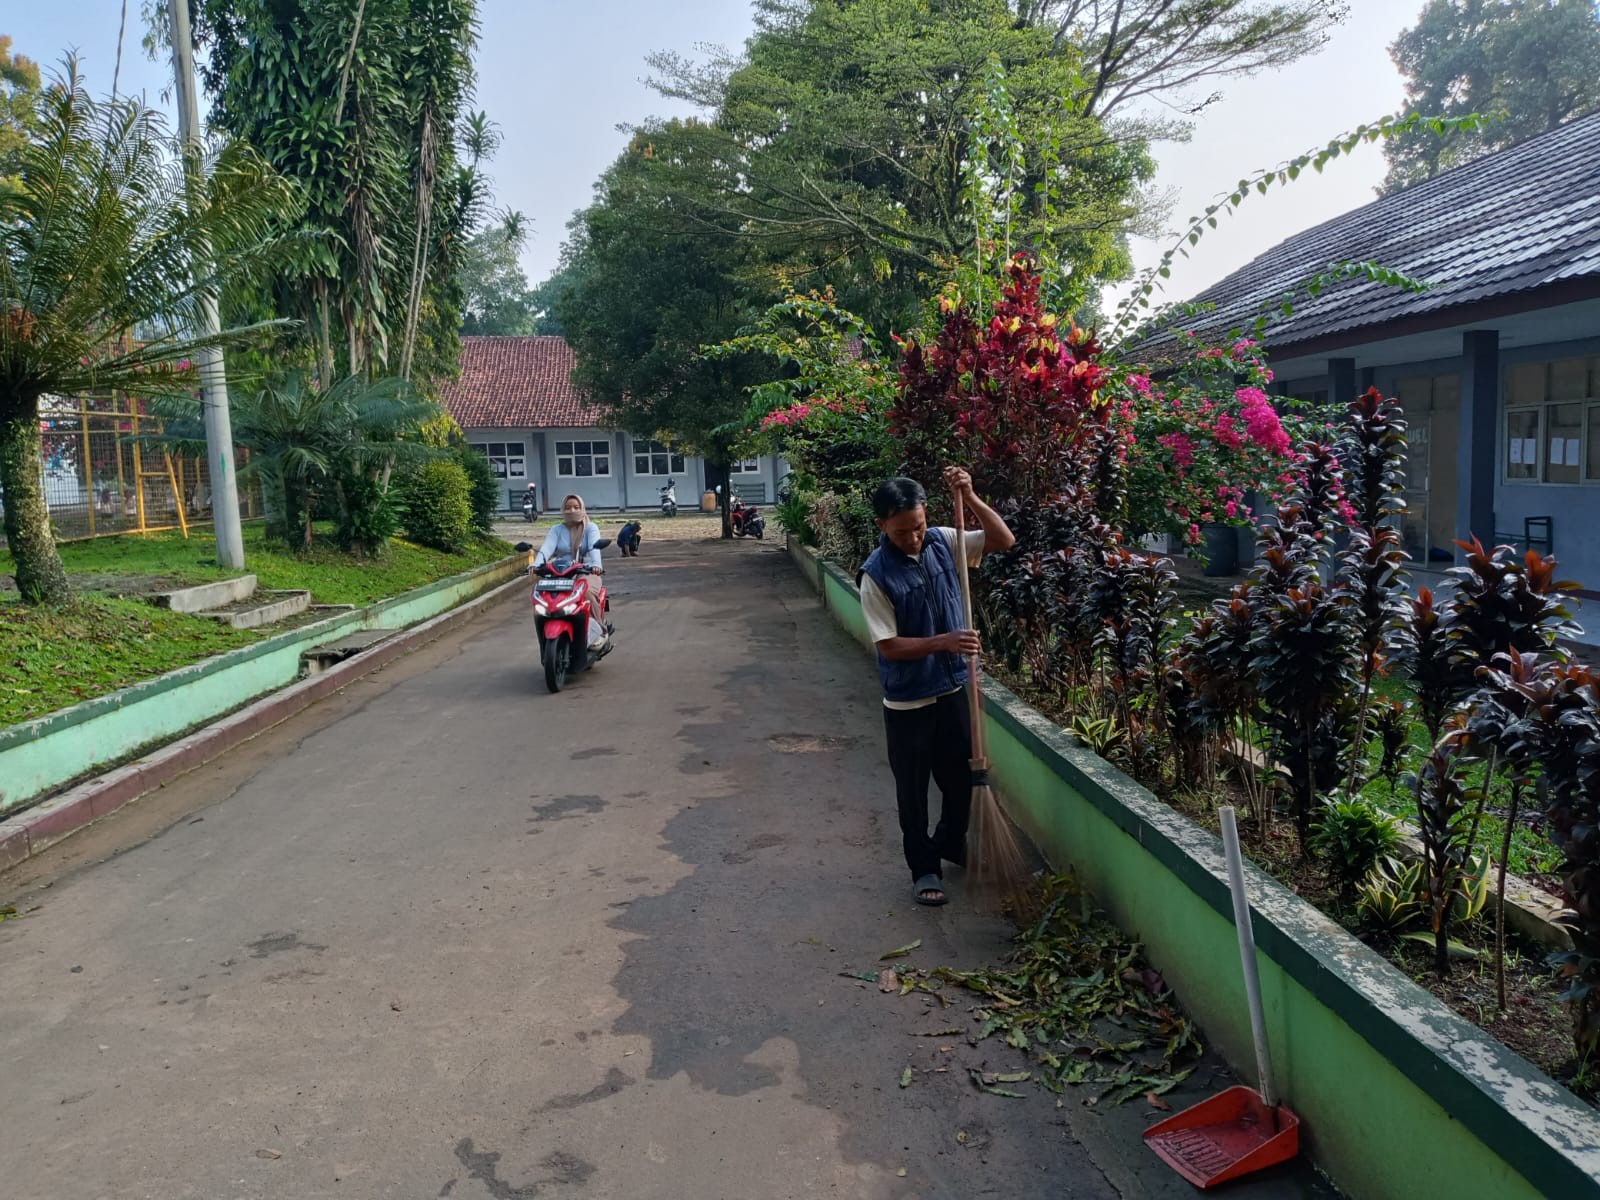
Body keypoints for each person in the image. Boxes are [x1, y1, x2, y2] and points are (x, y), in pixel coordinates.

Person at [857, 467, 1015, 907]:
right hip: (908, 701)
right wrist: (942, 641)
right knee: (913, 791)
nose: (914, 538)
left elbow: (1003, 540)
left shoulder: (944, 540)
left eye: (919, 527)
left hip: (951, 690)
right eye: (904, 530)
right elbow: (888, 645)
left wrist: (971, 494)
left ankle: (949, 842)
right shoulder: (875, 575)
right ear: (883, 525)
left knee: (963, 780)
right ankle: (924, 866)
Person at [534, 494, 609, 640]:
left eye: (576, 507)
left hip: (586, 571)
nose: (572, 510)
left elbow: (595, 549)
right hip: (562, 573)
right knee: (544, 595)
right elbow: (546, 549)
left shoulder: (590, 528)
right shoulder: (557, 529)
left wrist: (596, 565)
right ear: (562, 510)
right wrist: (536, 565)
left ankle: (599, 631)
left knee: (585, 592)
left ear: (582, 508)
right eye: (568, 508)